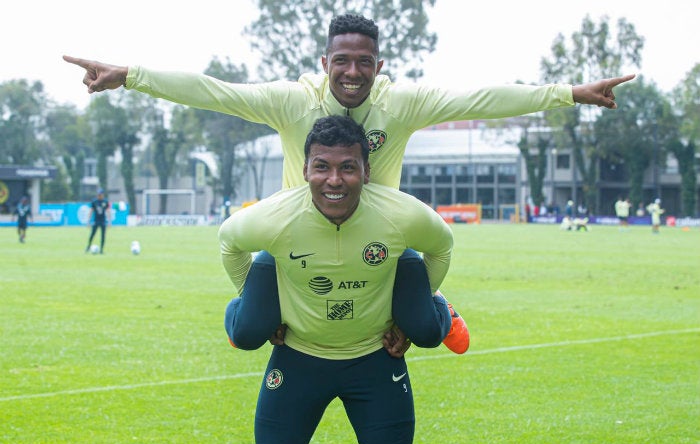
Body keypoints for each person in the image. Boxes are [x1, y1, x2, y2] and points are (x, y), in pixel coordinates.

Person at [64, 13, 632, 352]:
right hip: (302, 236)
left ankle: (435, 309)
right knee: (256, 327)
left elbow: (481, 96)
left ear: (379, 65)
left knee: (416, 327)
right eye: (342, 60)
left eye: (364, 62)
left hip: (378, 237)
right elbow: (214, 89)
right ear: (325, 61)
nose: (353, 72)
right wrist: (130, 76)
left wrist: (570, 92)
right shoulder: (292, 101)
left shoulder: (402, 103)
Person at [220, 115, 453, 444]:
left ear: (367, 171)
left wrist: (419, 301)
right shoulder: (276, 217)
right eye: (321, 167)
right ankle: (245, 311)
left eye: (348, 167)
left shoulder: (400, 215)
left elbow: (442, 245)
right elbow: (228, 241)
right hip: (300, 354)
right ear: (304, 170)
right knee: (248, 333)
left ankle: (443, 309)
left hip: (374, 355)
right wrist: (252, 297)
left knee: (426, 331)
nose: (334, 180)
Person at [85, 189, 111, 253]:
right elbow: (91, 211)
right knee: (92, 234)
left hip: (103, 220)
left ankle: (102, 249)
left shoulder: (105, 201)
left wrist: (109, 221)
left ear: (102, 194)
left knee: (103, 235)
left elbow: (108, 211)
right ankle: (88, 246)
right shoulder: (94, 201)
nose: (99, 196)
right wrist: (88, 221)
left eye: (100, 194)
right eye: (98, 194)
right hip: (96, 220)